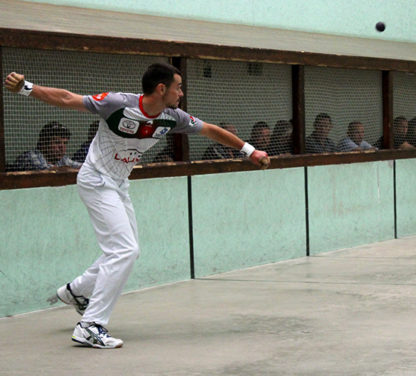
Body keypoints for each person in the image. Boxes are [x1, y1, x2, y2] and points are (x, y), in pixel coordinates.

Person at [4, 62, 268, 349]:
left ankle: (77, 291)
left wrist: (250, 151)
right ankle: (90, 325)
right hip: (96, 180)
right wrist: (26, 88)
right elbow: (68, 99)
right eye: (178, 87)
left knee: (129, 250)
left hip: (119, 185)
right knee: (123, 250)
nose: (181, 93)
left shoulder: (172, 117)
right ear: (161, 88)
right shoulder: (117, 104)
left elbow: (211, 130)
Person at [11, 121, 82, 171]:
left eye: (65, 143)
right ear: (43, 143)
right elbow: (47, 171)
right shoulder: (31, 156)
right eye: (57, 142)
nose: (62, 148)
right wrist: (67, 169)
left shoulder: (62, 159)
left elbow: (82, 167)